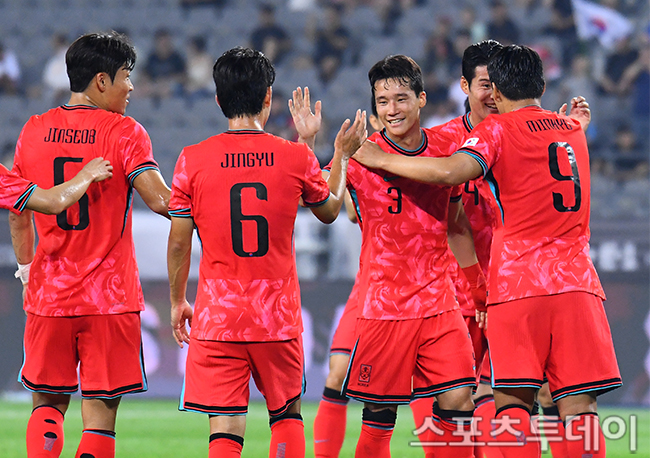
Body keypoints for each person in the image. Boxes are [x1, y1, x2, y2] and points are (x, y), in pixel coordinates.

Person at [353, 44, 622, 458]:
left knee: (513, 406)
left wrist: (381, 159)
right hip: (578, 283)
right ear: (542, 86)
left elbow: (450, 171)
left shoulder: (496, 130)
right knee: (579, 408)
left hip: (517, 286)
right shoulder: (570, 129)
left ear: (495, 91)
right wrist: (572, 123)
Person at [167, 47, 366, 458]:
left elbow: (180, 241)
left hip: (218, 317)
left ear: (218, 99)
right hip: (277, 317)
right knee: (286, 415)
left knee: (224, 428)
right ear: (268, 98)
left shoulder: (192, 159)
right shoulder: (294, 156)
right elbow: (330, 209)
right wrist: (341, 154)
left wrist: (176, 301)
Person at [9, 31, 171, 458]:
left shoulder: (34, 129)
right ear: (101, 80)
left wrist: (26, 272)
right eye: (126, 76)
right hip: (109, 300)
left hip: (50, 295)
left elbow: (18, 212)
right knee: (100, 416)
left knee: (47, 406)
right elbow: (161, 201)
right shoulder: (125, 131)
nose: (131, 86)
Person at [317, 54, 483, 458]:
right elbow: (323, 202)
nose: (392, 109)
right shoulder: (360, 152)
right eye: (383, 101)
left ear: (421, 99)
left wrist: (478, 289)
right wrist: (323, 149)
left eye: (401, 99)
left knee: (461, 401)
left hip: (439, 303)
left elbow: (457, 225)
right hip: (384, 308)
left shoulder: (447, 149)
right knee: (379, 420)